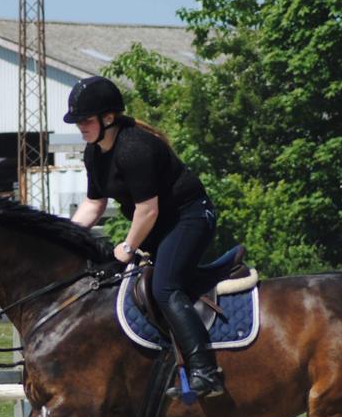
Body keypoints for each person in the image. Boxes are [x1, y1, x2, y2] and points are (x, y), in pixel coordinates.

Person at [66, 75, 226, 398]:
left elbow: (147, 210)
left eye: (85, 119)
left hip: (190, 217)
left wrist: (126, 248)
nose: (80, 126)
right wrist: (65, 236)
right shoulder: (93, 153)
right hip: (157, 224)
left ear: (107, 118)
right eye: (77, 121)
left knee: (164, 287)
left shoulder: (134, 148)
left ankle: (206, 372)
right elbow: (94, 204)